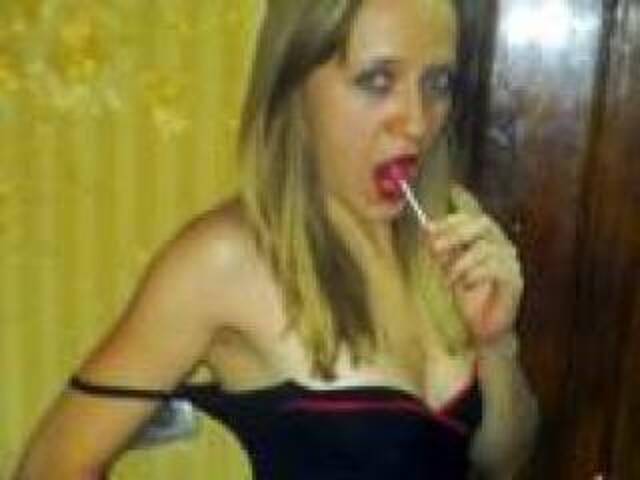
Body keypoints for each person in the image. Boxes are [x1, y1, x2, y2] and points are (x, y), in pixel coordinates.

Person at [14, 0, 539, 478]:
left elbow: (501, 460)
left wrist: (497, 344)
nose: (418, 122)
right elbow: (47, 467)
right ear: (295, 83)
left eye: (438, 83)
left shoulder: (451, 223)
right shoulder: (227, 260)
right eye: (378, 80)